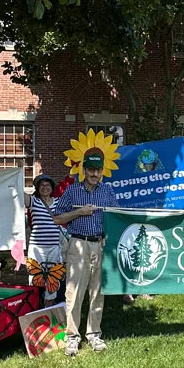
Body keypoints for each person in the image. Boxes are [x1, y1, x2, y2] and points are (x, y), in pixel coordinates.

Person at [53, 150, 119, 356]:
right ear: (84, 170)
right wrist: (79, 212)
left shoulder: (107, 191)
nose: (94, 174)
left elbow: (116, 216)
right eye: (91, 169)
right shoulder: (72, 191)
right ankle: (72, 337)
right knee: (74, 293)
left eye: (98, 170)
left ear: (102, 171)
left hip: (100, 245)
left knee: (97, 293)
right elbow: (56, 218)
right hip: (78, 244)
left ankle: (94, 335)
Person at [27, 174, 64, 307]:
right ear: (37, 188)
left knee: (53, 278)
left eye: (47, 185)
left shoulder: (59, 202)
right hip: (36, 247)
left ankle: (49, 308)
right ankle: (33, 307)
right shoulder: (33, 201)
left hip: (54, 246)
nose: (44, 187)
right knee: (34, 277)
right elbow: (20, 194)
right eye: (41, 185)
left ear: (52, 188)